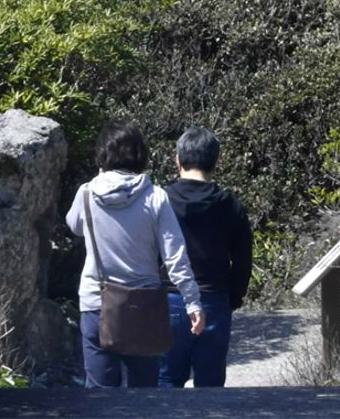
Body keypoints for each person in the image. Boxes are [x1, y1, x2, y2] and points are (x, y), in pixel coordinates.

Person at [66, 119, 205, 388]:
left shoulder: (86, 193)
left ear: (102, 154)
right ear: (140, 154)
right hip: (145, 306)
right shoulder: (156, 196)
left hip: (97, 304)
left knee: (99, 397)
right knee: (144, 396)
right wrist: (193, 302)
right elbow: (175, 258)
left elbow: (75, 226)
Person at [159, 124, 253, 388]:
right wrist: (232, 298)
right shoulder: (230, 205)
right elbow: (243, 261)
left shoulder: (161, 200)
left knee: (165, 383)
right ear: (215, 162)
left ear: (178, 159)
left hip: (169, 299)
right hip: (214, 300)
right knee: (210, 390)